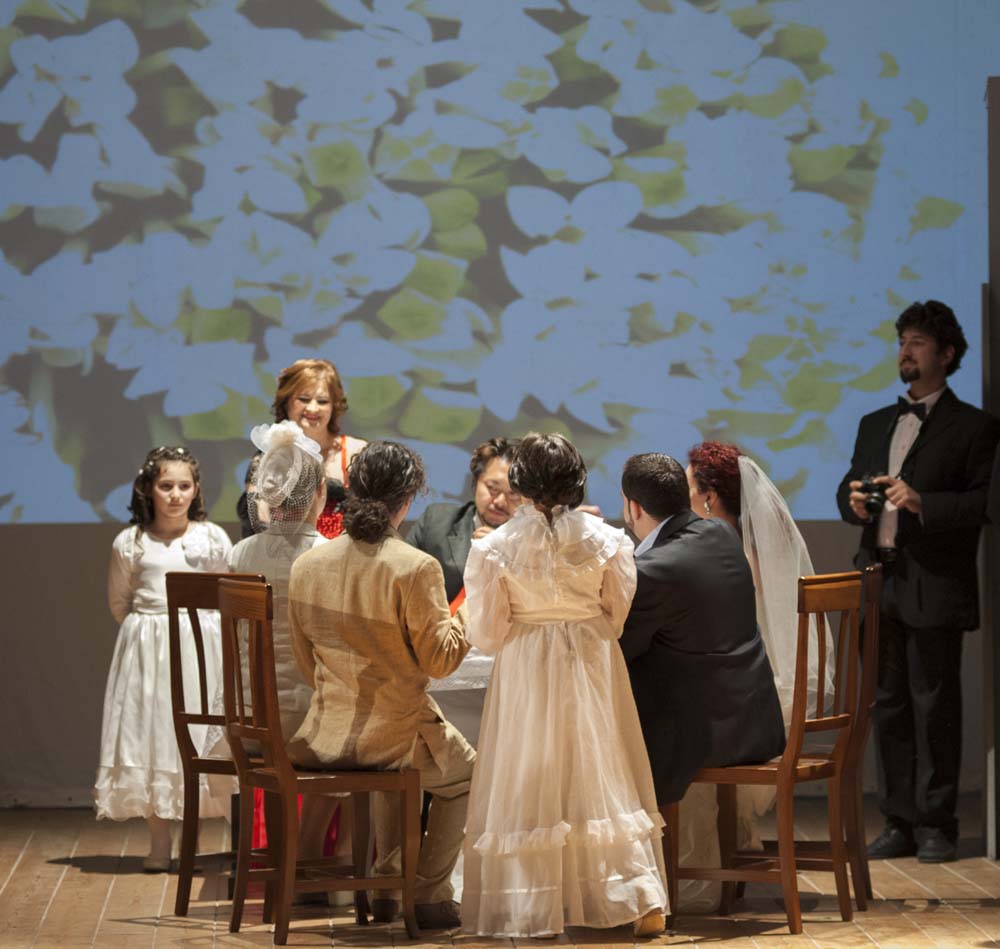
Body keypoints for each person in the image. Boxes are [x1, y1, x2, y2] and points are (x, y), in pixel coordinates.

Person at [461, 433, 667, 939]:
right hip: (591, 661)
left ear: (521, 482)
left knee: (530, 775)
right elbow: (616, 614)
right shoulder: (609, 539)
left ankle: (535, 904)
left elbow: (486, 632)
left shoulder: (494, 547)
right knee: (600, 772)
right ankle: (635, 897)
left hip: (527, 666)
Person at [837, 300, 1000, 863]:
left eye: (918, 343)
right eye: (902, 342)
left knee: (935, 708)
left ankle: (937, 824)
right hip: (878, 578)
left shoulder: (975, 426)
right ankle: (898, 822)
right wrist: (853, 502)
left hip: (934, 583)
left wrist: (922, 502)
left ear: (946, 354)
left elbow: (982, 504)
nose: (905, 352)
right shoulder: (874, 422)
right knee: (887, 706)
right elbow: (847, 488)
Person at [287, 441, 474, 930]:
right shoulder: (414, 567)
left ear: (352, 489)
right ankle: (428, 895)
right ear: (407, 500)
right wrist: (471, 610)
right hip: (393, 735)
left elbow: (306, 663)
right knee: (469, 777)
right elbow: (440, 661)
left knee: (408, 765)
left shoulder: (308, 565)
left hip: (326, 734)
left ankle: (390, 889)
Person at [619, 452, 785, 860]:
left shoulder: (652, 569)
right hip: (753, 722)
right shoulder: (722, 534)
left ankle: (630, 871)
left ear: (634, 507)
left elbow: (617, 651)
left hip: (701, 735)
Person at [95, 446, 232, 871]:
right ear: (149, 489)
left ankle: (196, 840)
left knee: (198, 736)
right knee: (151, 736)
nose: (175, 495)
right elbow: (120, 602)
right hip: (149, 653)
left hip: (200, 650)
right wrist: (150, 634)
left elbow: (228, 593)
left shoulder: (211, 538)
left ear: (196, 490)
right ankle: (159, 842)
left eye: (184, 486)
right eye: (166, 485)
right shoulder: (131, 543)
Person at [227, 420, 340, 866]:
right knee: (378, 745)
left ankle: (297, 859)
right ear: (319, 494)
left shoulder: (239, 555)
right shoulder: (330, 554)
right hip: (307, 725)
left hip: (249, 722)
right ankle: (330, 867)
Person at [407, 437, 522, 746]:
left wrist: (501, 551)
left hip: (507, 668)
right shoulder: (437, 521)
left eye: (513, 494)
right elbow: (402, 582)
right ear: (476, 483)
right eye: (492, 488)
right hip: (439, 661)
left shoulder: (531, 540)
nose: (500, 501)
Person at [237, 358, 366, 538]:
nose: (313, 408)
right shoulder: (267, 456)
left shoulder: (356, 452)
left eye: (322, 401)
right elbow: (259, 518)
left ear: (334, 406)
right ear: (286, 401)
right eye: (304, 399)